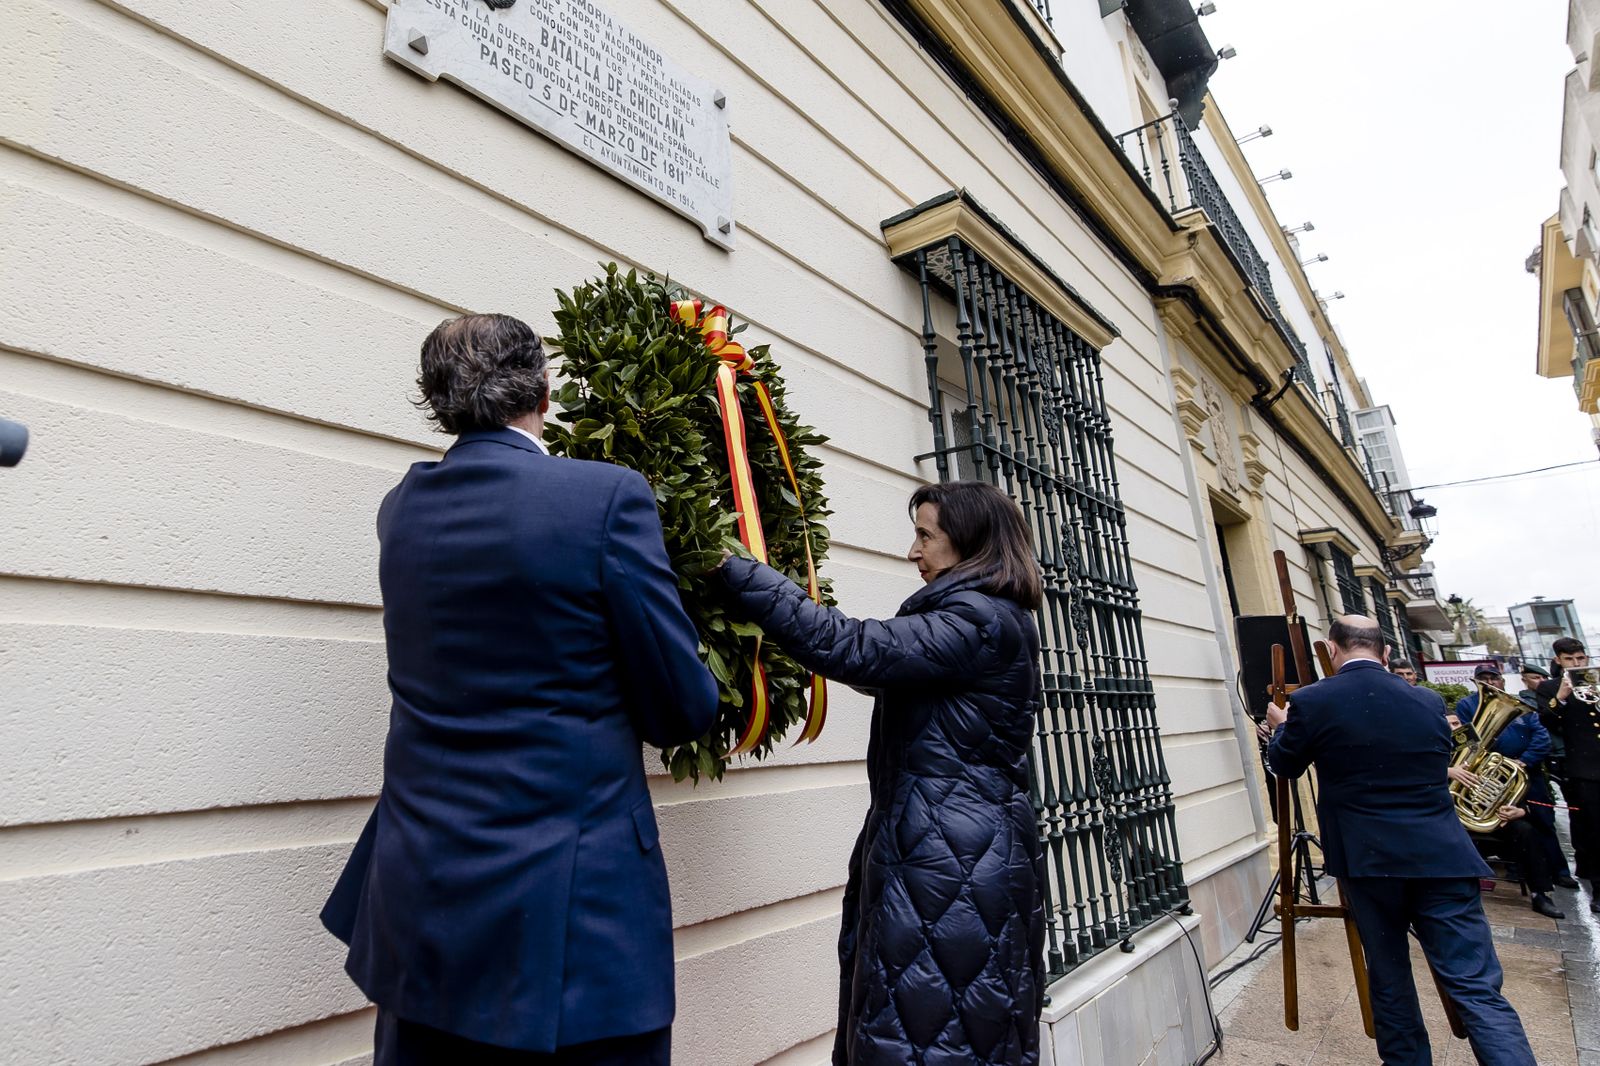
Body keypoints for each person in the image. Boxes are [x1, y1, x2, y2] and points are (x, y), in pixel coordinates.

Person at [319, 314, 720, 1065]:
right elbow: (682, 708)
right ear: (543, 390)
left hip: (421, 898)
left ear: (439, 401)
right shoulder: (605, 498)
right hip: (569, 915)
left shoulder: (401, 509)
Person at [720, 480, 1045, 1066]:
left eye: (926, 536)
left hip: (952, 865)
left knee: (931, 1039)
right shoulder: (987, 618)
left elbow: (854, 647)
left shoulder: (977, 620)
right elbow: (875, 665)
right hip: (949, 854)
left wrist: (734, 569)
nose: (913, 550)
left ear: (970, 543)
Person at [1266, 616, 1535, 1066]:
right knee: (1476, 986)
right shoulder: (1427, 701)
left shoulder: (1312, 700)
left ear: (1331, 650)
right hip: (1442, 854)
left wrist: (1281, 726)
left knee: (1390, 977)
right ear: (1386, 652)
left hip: (1368, 860)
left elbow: (1285, 765)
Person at [1536, 637, 1600, 903]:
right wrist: (1561, 697)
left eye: (1580, 658)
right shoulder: (1549, 688)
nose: (1576, 663)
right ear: (1558, 660)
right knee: (1594, 829)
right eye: (1570, 659)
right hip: (1584, 768)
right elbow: (1546, 721)